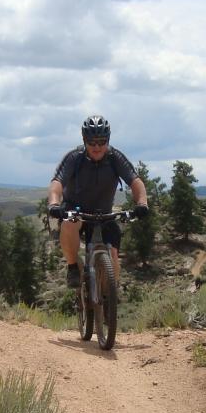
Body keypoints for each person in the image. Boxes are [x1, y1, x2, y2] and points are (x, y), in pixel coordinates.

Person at [48, 115, 149, 288]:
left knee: (113, 255)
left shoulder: (115, 158)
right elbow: (57, 183)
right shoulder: (74, 158)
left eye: (101, 142)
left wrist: (142, 204)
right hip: (76, 210)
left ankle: (108, 298)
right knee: (69, 223)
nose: (97, 147)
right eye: (91, 142)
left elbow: (135, 181)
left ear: (107, 140)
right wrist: (54, 204)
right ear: (84, 140)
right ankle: (73, 267)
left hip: (104, 214)